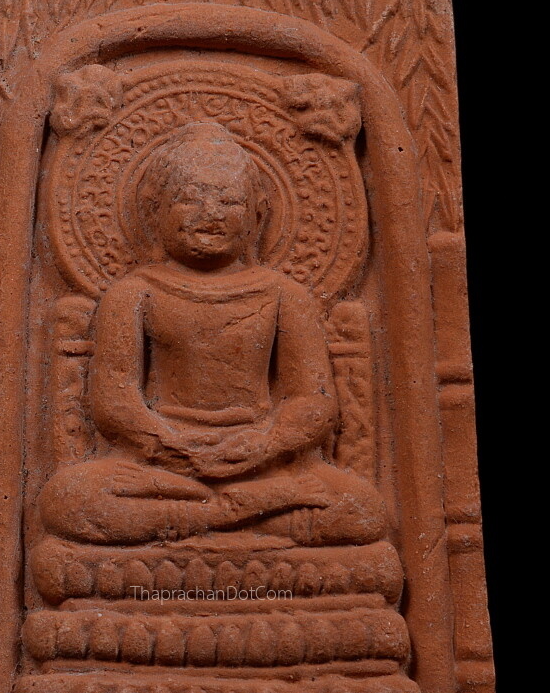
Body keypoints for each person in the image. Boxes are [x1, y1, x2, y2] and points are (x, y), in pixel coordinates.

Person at [40, 122, 385, 546]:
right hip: (159, 464)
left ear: (257, 214)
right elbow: (115, 400)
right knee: (67, 500)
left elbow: (313, 401)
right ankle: (235, 514)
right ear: (154, 212)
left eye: (229, 201)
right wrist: (171, 445)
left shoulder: (284, 295)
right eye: (189, 199)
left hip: (261, 462)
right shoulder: (134, 293)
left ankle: (198, 516)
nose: (211, 213)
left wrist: (265, 443)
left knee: (363, 510)